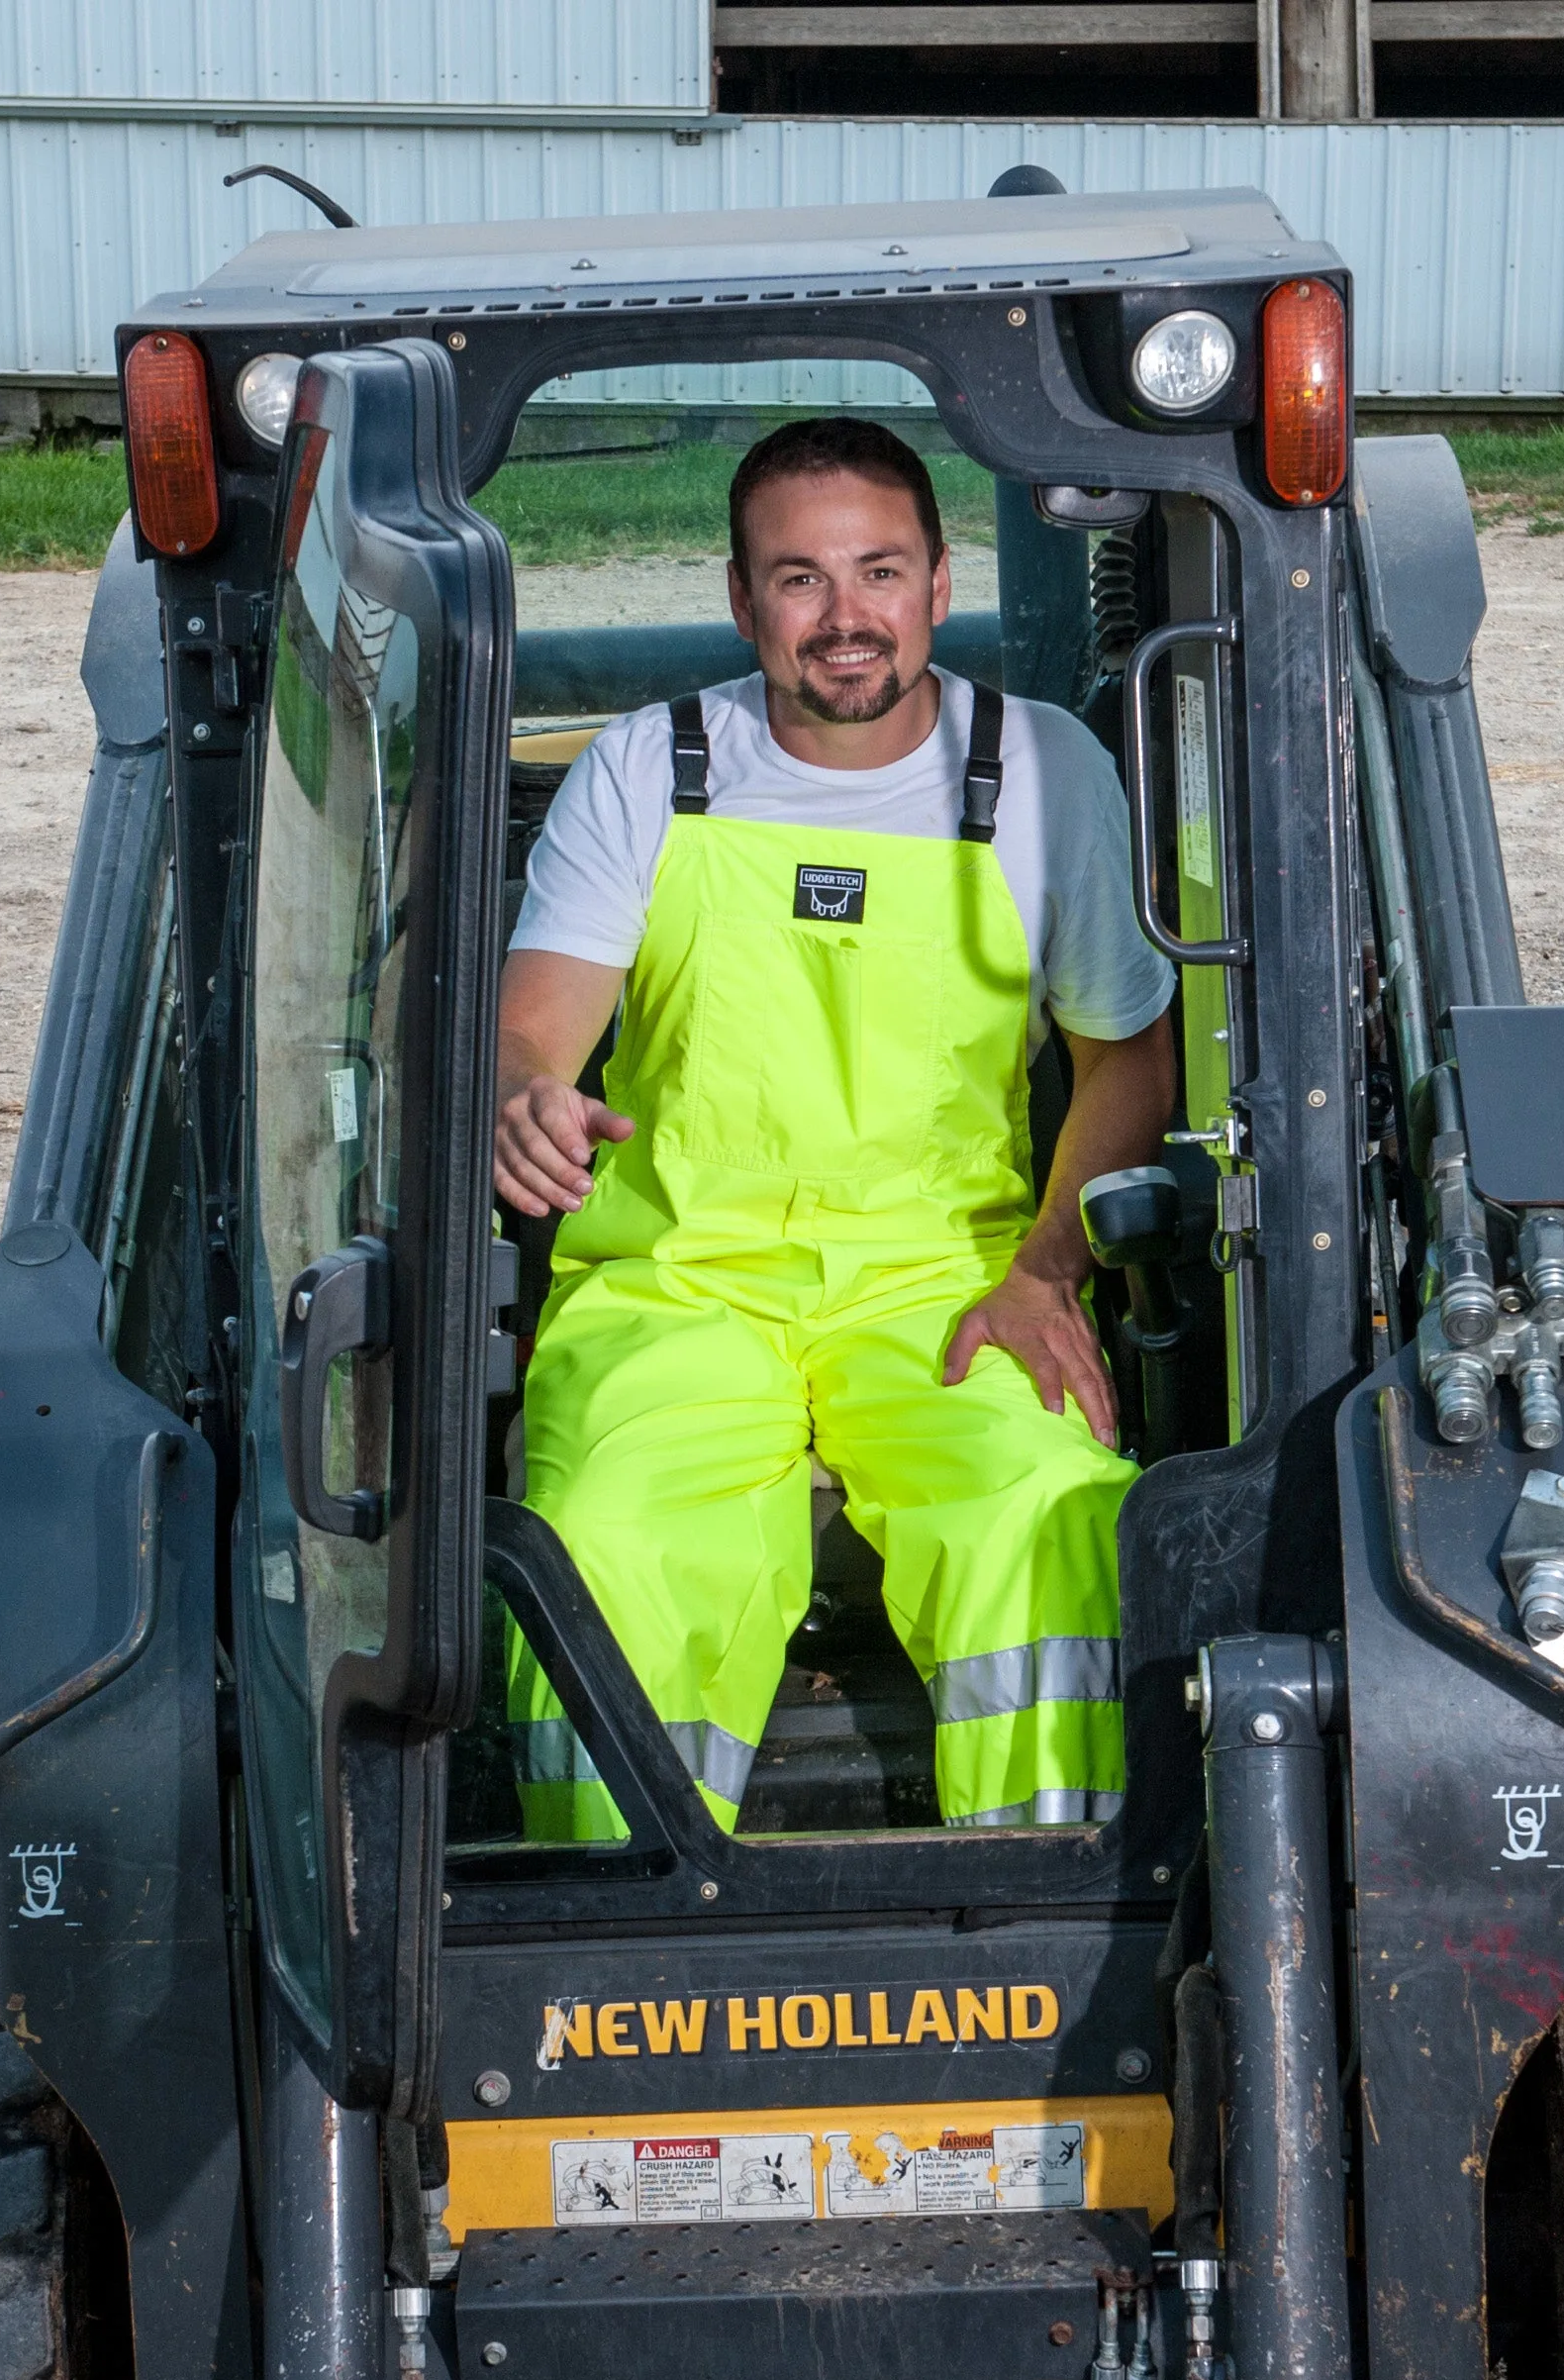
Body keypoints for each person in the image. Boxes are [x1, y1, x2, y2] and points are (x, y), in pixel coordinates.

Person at [493, 416, 1179, 1837]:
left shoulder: (1043, 770)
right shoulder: (649, 768)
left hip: (938, 1284)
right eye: (798, 580)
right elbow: (532, 1027)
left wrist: (1047, 1270)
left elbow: (1131, 1058)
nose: (845, 615)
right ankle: (618, 1963)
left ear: (939, 584)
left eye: (879, 571)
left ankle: (1057, 1922)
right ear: (743, 603)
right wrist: (526, 1097)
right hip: (677, 1288)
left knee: (1045, 1509)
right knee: (602, 1542)